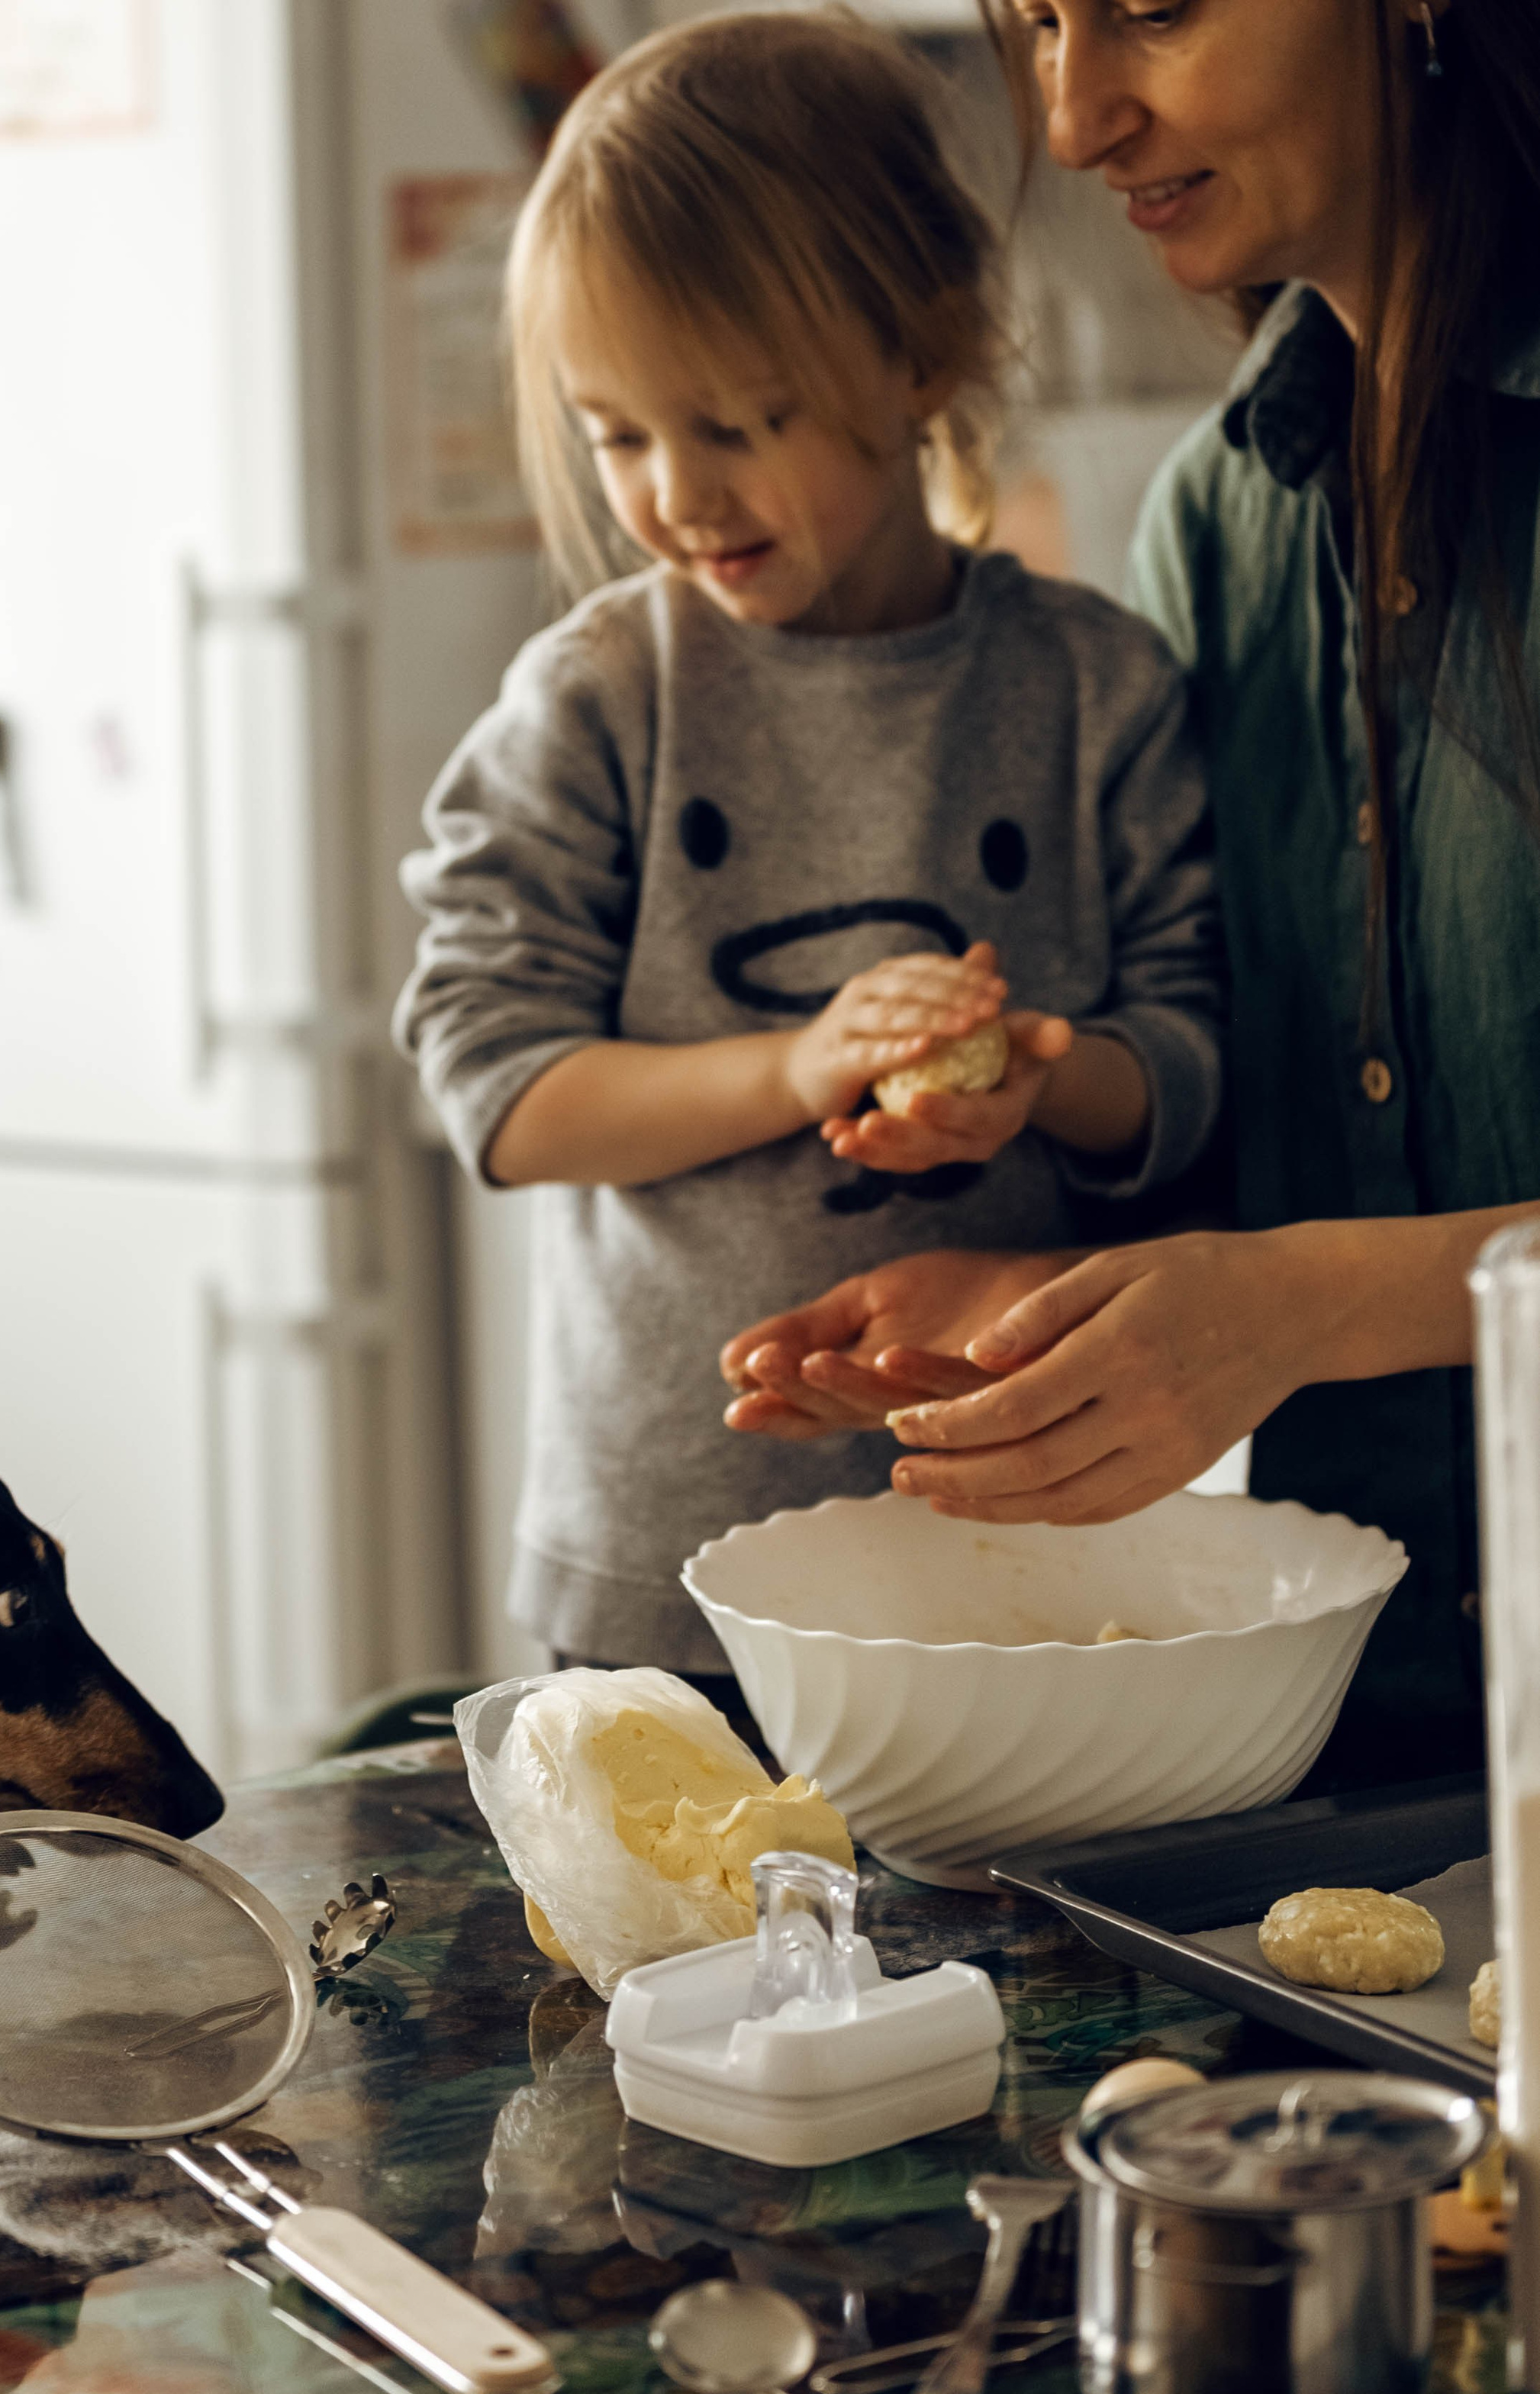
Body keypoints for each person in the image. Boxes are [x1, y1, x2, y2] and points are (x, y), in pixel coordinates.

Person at [723, 0, 1540, 1820]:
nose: (1072, 120)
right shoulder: (1213, 527)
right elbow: (1263, 1143)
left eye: (1152, 8)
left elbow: (1307, 1284)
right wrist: (1045, 1305)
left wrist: (1305, 1305)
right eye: (1033, 24)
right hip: (1368, 1745)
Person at [395, 8, 1224, 1700]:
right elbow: (496, 1083)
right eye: (618, 434)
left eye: (739, 421)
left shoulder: (1094, 688)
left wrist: (1047, 1078)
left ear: (922, 354)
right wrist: (798, 1063)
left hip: (1019, 1537)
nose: (677, 495)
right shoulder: (603, 699)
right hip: (667, 1562)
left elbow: (1193, 1064)